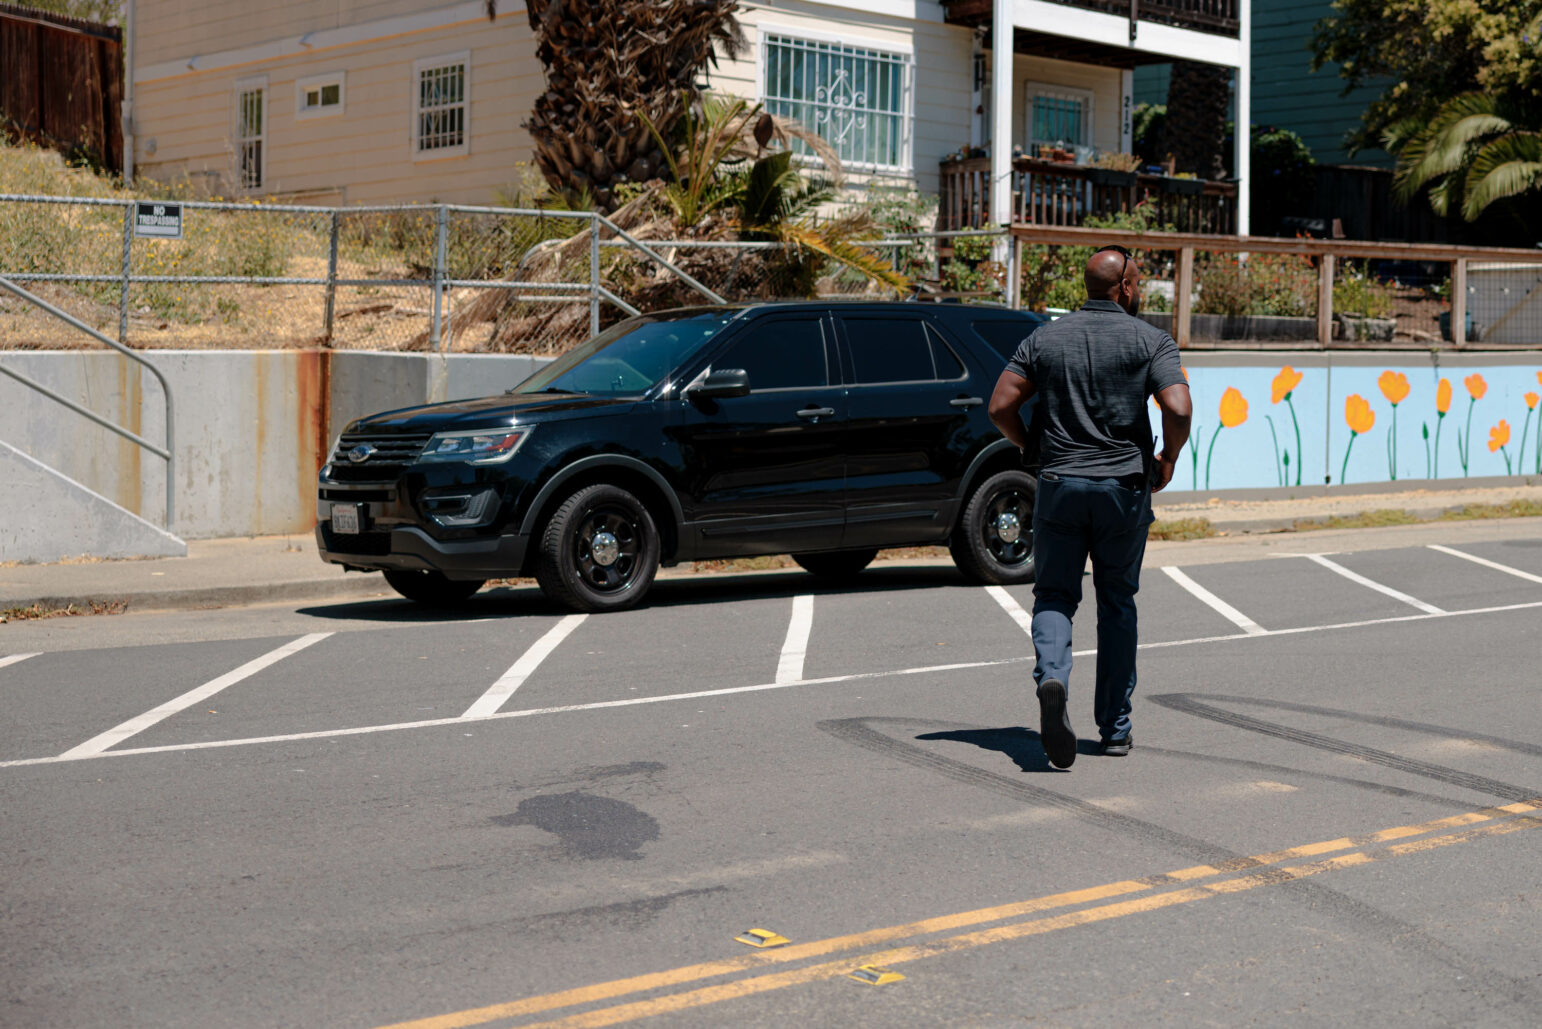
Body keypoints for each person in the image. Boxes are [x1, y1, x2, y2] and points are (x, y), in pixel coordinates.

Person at [988, 245, 1192, 769]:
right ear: (1123, 287)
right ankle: (1115, 729)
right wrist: (1167, 456)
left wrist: (1026, 443)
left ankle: (1053, 678)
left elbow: (999, 405)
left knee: (1055, 595)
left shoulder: (1045, 337)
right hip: (1123, 489)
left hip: (1059, 482)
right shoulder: (1152, 341)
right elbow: (1178, 406)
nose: (1140, 287)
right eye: (1138, 280)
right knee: (1117, 603)